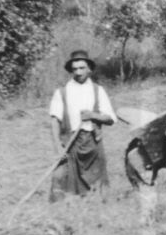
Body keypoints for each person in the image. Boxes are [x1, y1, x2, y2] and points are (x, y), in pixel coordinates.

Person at [49, 50, 116, 198]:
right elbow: (54, 121)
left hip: (93, 143)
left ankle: (96, 205)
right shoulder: (61, 93)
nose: (78, 72)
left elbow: (110, 119)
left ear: (89, 69)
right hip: (71, 144)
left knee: (98, 191)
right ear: (71, 71)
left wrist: (93, 115)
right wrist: (58, 147)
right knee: (61, 181)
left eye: (82, 68)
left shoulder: (98, 90)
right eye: (75, 69)